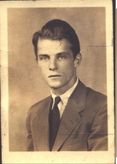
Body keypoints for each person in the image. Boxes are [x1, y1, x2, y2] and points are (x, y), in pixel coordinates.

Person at [26, 19, 107, 151]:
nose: (52, 66)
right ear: (37, 62)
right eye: (44, 58)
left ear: (76, 60)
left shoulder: (102, 107)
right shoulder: (34, 113)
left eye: (61, 57)